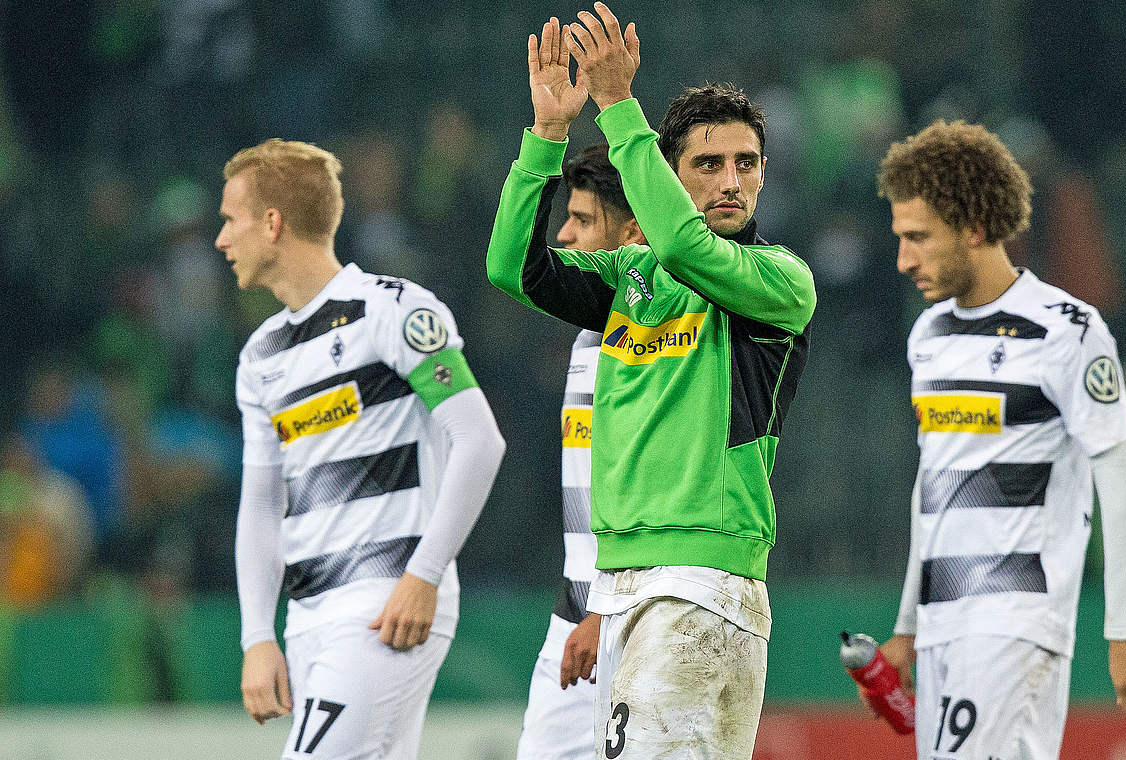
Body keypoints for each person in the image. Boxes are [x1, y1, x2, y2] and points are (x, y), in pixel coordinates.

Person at [487, 6, 816, 757]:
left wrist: (619, 106)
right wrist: (544, 137)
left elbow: (680, 241)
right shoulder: (629, 281)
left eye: (747, 163)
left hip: (701, 581)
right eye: (708, 164)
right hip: (630, 583)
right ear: (667, 174)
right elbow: (513, 268)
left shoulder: (777, 280)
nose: (732, 181)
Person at [873, 121, 1126, 759]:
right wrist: (907, 624)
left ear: (975, 227)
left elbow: (1122, 479)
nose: (904, 260)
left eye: (918, 238)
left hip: (1015, 618)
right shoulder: (928, 336)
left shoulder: (1067, 331)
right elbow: (935, 486)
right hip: (943, 625)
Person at [220, 138, 505, 760]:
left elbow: (479, 439)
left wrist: (425, 575)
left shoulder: (392, 310)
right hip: (308, 616)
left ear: (273, 224)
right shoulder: (261, 355)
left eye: (230, 220)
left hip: (384, 605)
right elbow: (262, 506)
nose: (222, 239)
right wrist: (255, 637)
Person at [515, 143, 646, 760]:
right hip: (575, 617)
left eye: (583, 220)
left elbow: (652, 482)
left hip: (632, 620)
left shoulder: (657, 340)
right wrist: (545, 134)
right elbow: (515, 265)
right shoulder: (590, 334)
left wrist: (606, 607)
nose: (562, 234)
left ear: (634, 231)